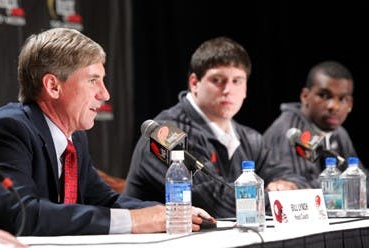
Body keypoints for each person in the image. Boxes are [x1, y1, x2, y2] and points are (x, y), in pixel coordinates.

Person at [0, 27, 213, 236]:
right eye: (93, 81)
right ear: (53, 86)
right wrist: (133, 221)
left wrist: (169, 212)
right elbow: (21, 214)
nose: (105, 94)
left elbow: (104, 200)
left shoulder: (75, 137)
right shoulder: (10, 129)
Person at [124, 36, 308, 218]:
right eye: (217, 80)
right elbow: (216, 203)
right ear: (194, 83)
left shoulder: (249, 138)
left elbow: (292, 176)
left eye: (237, 81)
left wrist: (289, 185)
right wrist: (286, 201)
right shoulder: (167, 133)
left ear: (245, 89)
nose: (228, 90)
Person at [263, 60, 367, 190]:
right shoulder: (291, 131)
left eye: (342, 99)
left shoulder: (339, 133)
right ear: (305, 96)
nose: (333, 106)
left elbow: (361, 180)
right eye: (323, 95)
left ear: (350, 104)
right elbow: (295, 190)